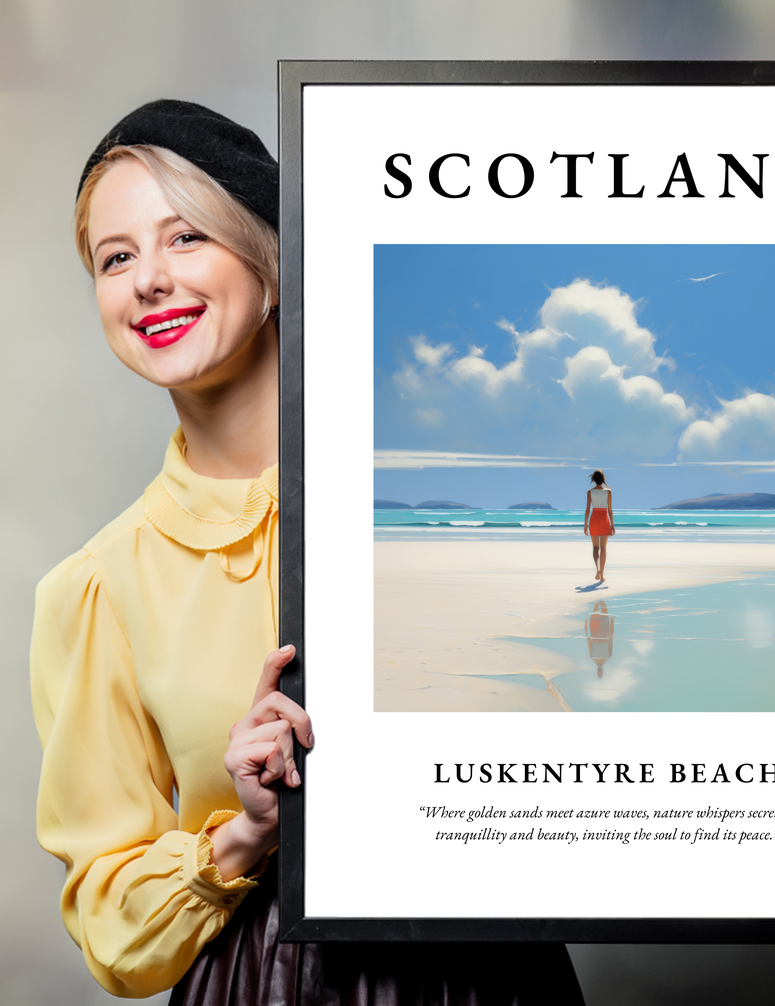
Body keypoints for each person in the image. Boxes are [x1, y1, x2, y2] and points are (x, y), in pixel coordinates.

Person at [30, 100, 584, 1004]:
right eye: (116, 257)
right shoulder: (98, 587)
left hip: (492, 973)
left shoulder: (441, 505)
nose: (148, 281)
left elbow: (611, 708)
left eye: (186, 238)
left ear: (273, 263)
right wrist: (245, 832)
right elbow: (109, 923)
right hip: (262, 982)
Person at [583, 469, 615, 581]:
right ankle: (602, 576)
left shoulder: (589, 492)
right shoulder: (608, 492)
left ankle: (597, 570)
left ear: (593, 479)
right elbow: (610, 510)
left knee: (595, 547)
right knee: (603, 548)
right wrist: (612, 525)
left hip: (594, 519)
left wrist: (585, 526)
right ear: (603, 479)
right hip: (604, 518)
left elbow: (587, 510)